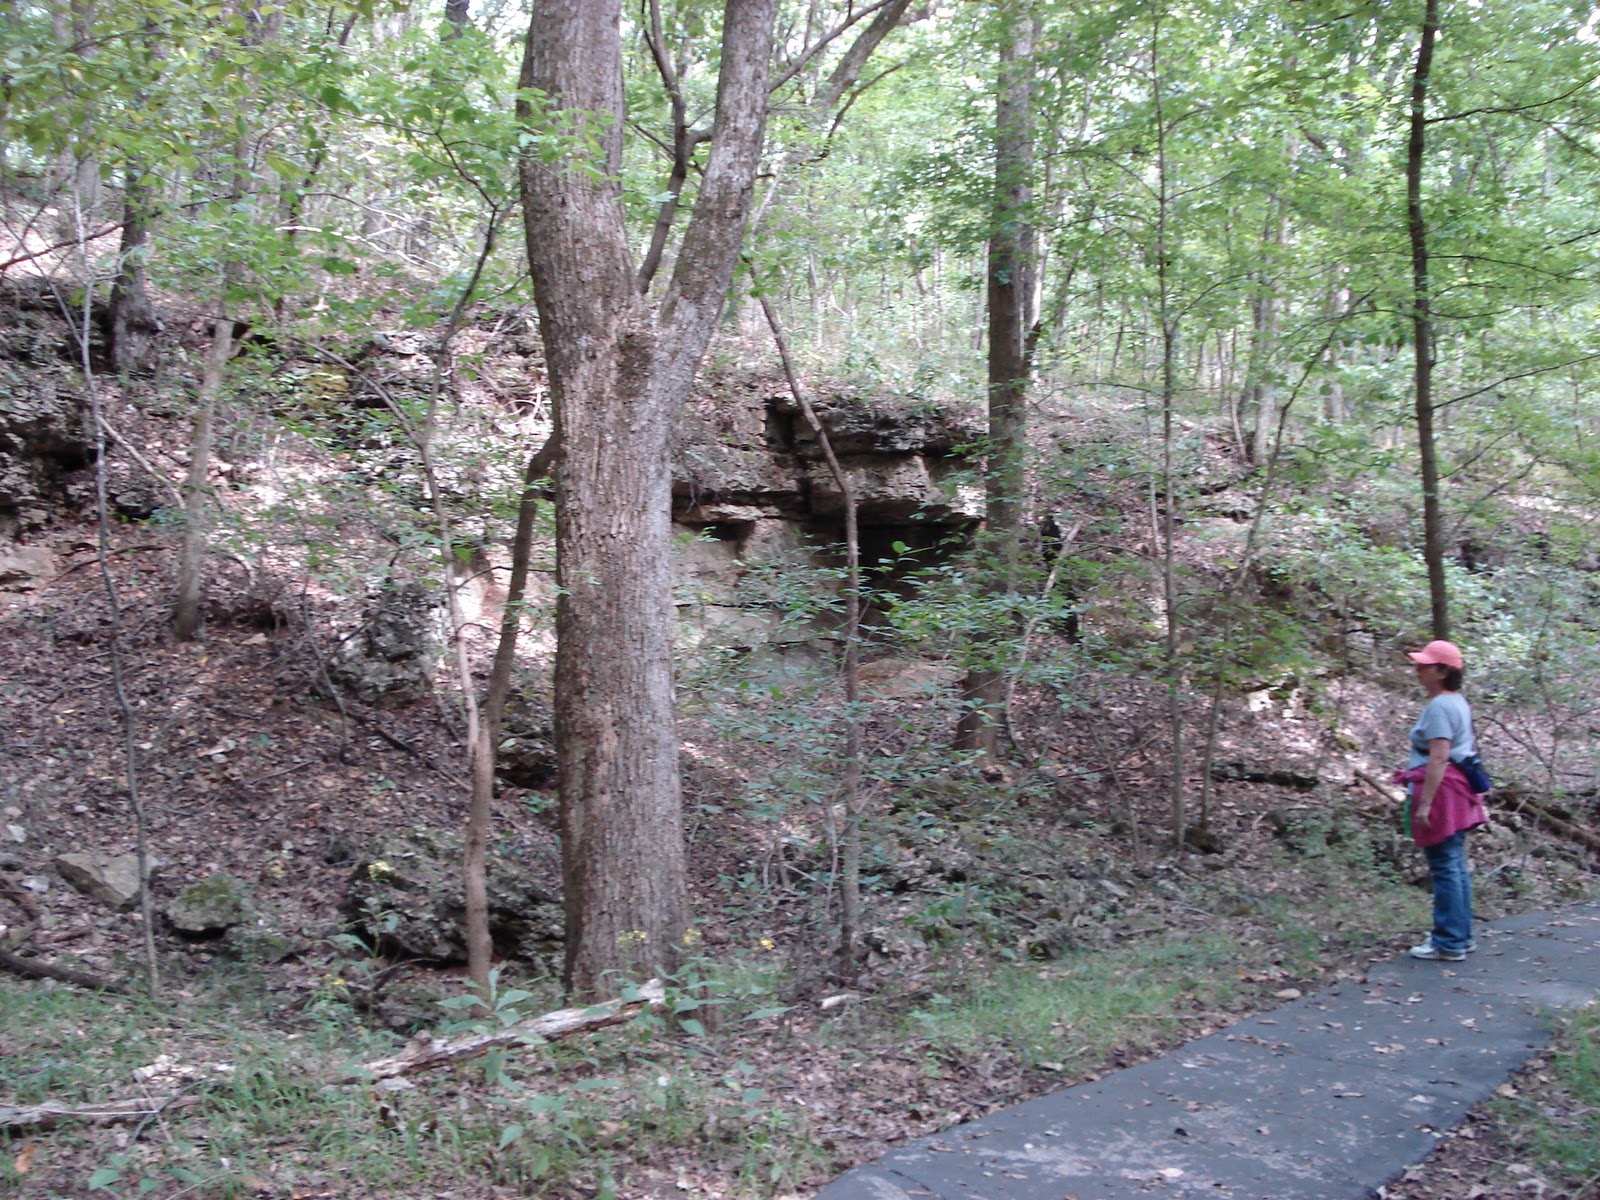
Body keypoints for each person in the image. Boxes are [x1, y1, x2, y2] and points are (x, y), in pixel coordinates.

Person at [1391, 639, 1488, 962]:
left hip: (1443, 790)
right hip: (1457, 788)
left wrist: (1425, 804)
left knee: (1445, 865)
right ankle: (1460, 936)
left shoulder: (1440, 707)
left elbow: (1438, 757)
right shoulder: (1457, 702)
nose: (1418, 670)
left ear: (1444, 671)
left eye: (1426, 665)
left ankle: (1448, 941)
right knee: (1454, 864)